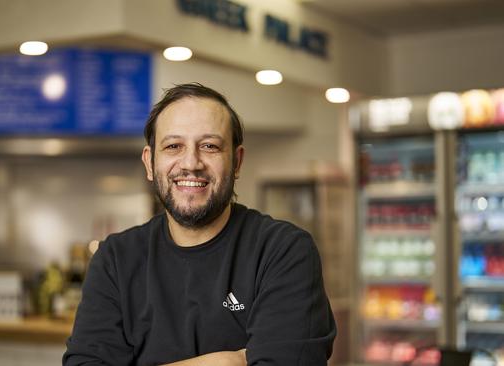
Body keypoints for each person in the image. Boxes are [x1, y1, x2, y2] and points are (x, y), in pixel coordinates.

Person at [63, 83, 336, 365]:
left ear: (237, 162)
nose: (191, 163)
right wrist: (230, 361)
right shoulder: (116, 260)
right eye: (173, 146)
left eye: (209, 146)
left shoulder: (283, 251)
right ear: (149, 162)